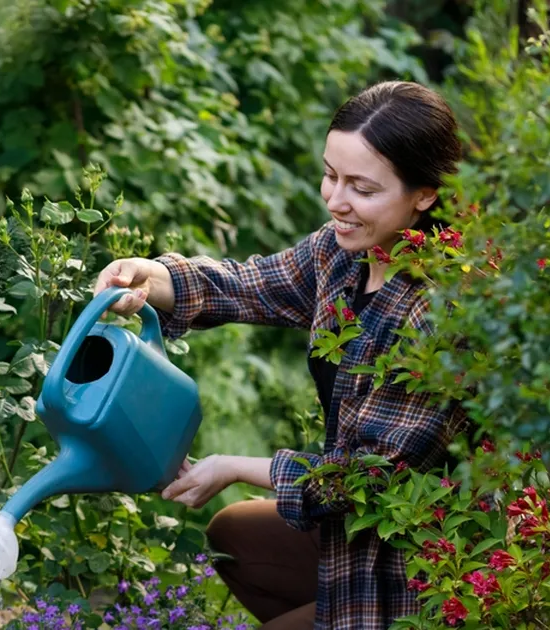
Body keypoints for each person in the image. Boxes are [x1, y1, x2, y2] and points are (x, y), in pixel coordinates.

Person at [90, 81, 473, 630]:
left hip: (421, 565)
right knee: (235, 535)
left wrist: (234, 467)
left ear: (425, 195)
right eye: (330, 174)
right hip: (358, 536)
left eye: (362, 188)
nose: (336, 201)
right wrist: (154, 275)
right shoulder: (344, 257)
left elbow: (369, 480)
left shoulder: (442, 309)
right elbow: (249, 284)